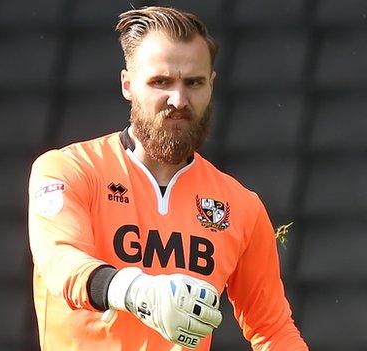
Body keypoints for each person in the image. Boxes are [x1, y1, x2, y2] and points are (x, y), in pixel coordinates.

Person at [27, 6, 309, 351]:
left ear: (211, 85)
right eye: (161, 82)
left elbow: (274, 330)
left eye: (193, 83)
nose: (179, 99)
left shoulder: (241, 206)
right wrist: (136, 292)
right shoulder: (69, 170)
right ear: (127, 85)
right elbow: (60, 263)